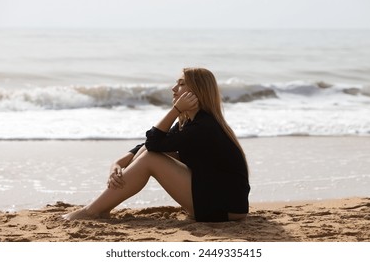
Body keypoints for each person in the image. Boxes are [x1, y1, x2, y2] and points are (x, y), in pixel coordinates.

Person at [63, 68, 250, 222]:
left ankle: (92, 211)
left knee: (151, 158)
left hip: (226, 207)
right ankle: (101, 208)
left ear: (197, 92)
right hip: (217, 198)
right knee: (150, 152)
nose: (174, 88)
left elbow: (153, 143)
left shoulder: (203, 127)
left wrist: (175, 110)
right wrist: (118, 163)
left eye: (182, 83)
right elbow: (147, 145)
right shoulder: (192, 122)